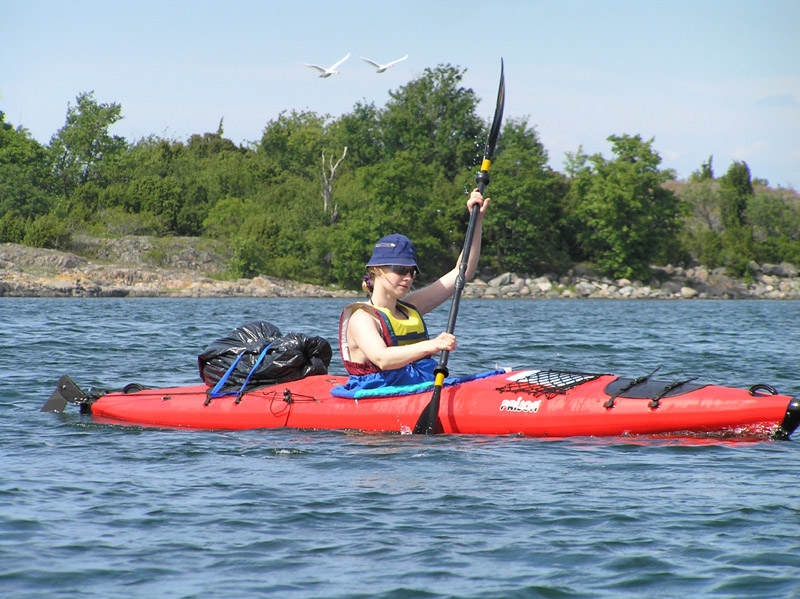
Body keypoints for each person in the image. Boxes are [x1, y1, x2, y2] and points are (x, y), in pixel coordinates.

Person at [338, 188, 490, 390]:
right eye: (401, 270)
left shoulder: (410, 307)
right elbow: (382, 358)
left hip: (419, 387)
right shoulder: (362, 318)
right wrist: (432, 345)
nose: (408, 277)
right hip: (377, 393)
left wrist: (475, 222)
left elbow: (462, 273)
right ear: (376, 270)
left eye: (412, 271)